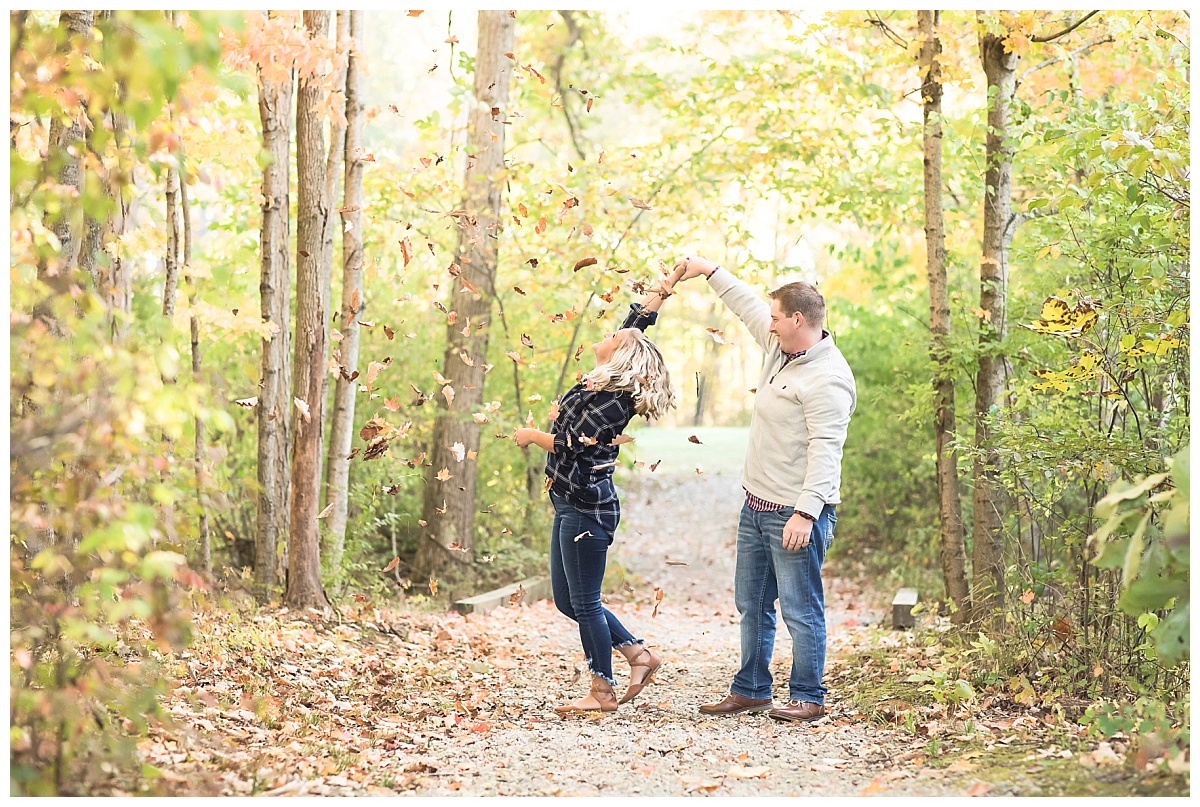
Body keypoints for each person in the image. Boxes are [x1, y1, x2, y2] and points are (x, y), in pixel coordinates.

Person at [674, 256, 856, 723]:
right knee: (751, 602)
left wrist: (807, 513)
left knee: (801, 607)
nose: (769, 325)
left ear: (798, 320)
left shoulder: (827, 378)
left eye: (777, 318)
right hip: (756, 505)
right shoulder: (781, 349)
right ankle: (752, 688)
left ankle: (808, 696)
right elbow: (746, 305)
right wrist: (708, 270)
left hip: (794, 515)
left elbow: (826, 452)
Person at [514, 265, 684, 714]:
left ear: (621, 357)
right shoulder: (606, 379)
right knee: (568, 600)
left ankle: (601, 690)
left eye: (615, 336)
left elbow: (571, 447)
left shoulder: (610, 400)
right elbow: (636, 324)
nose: (612, 332)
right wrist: (661, 292)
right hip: (569, 503)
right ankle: (638, 655)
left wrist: (532, 437)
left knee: (584, 603)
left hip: (587, 510)